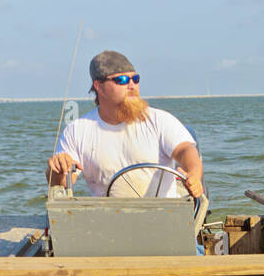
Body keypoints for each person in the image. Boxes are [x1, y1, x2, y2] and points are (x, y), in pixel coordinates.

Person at [45, 50, 205, 201]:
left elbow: (185, 150)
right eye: (122, 80)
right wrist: (58, 168)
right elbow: (61, 183)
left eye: (135, 79)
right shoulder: (77, 130)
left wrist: (194, 175)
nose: (132, 86)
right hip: (106, 219)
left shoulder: (159, 120)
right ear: (98, 86)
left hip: (163, 215)